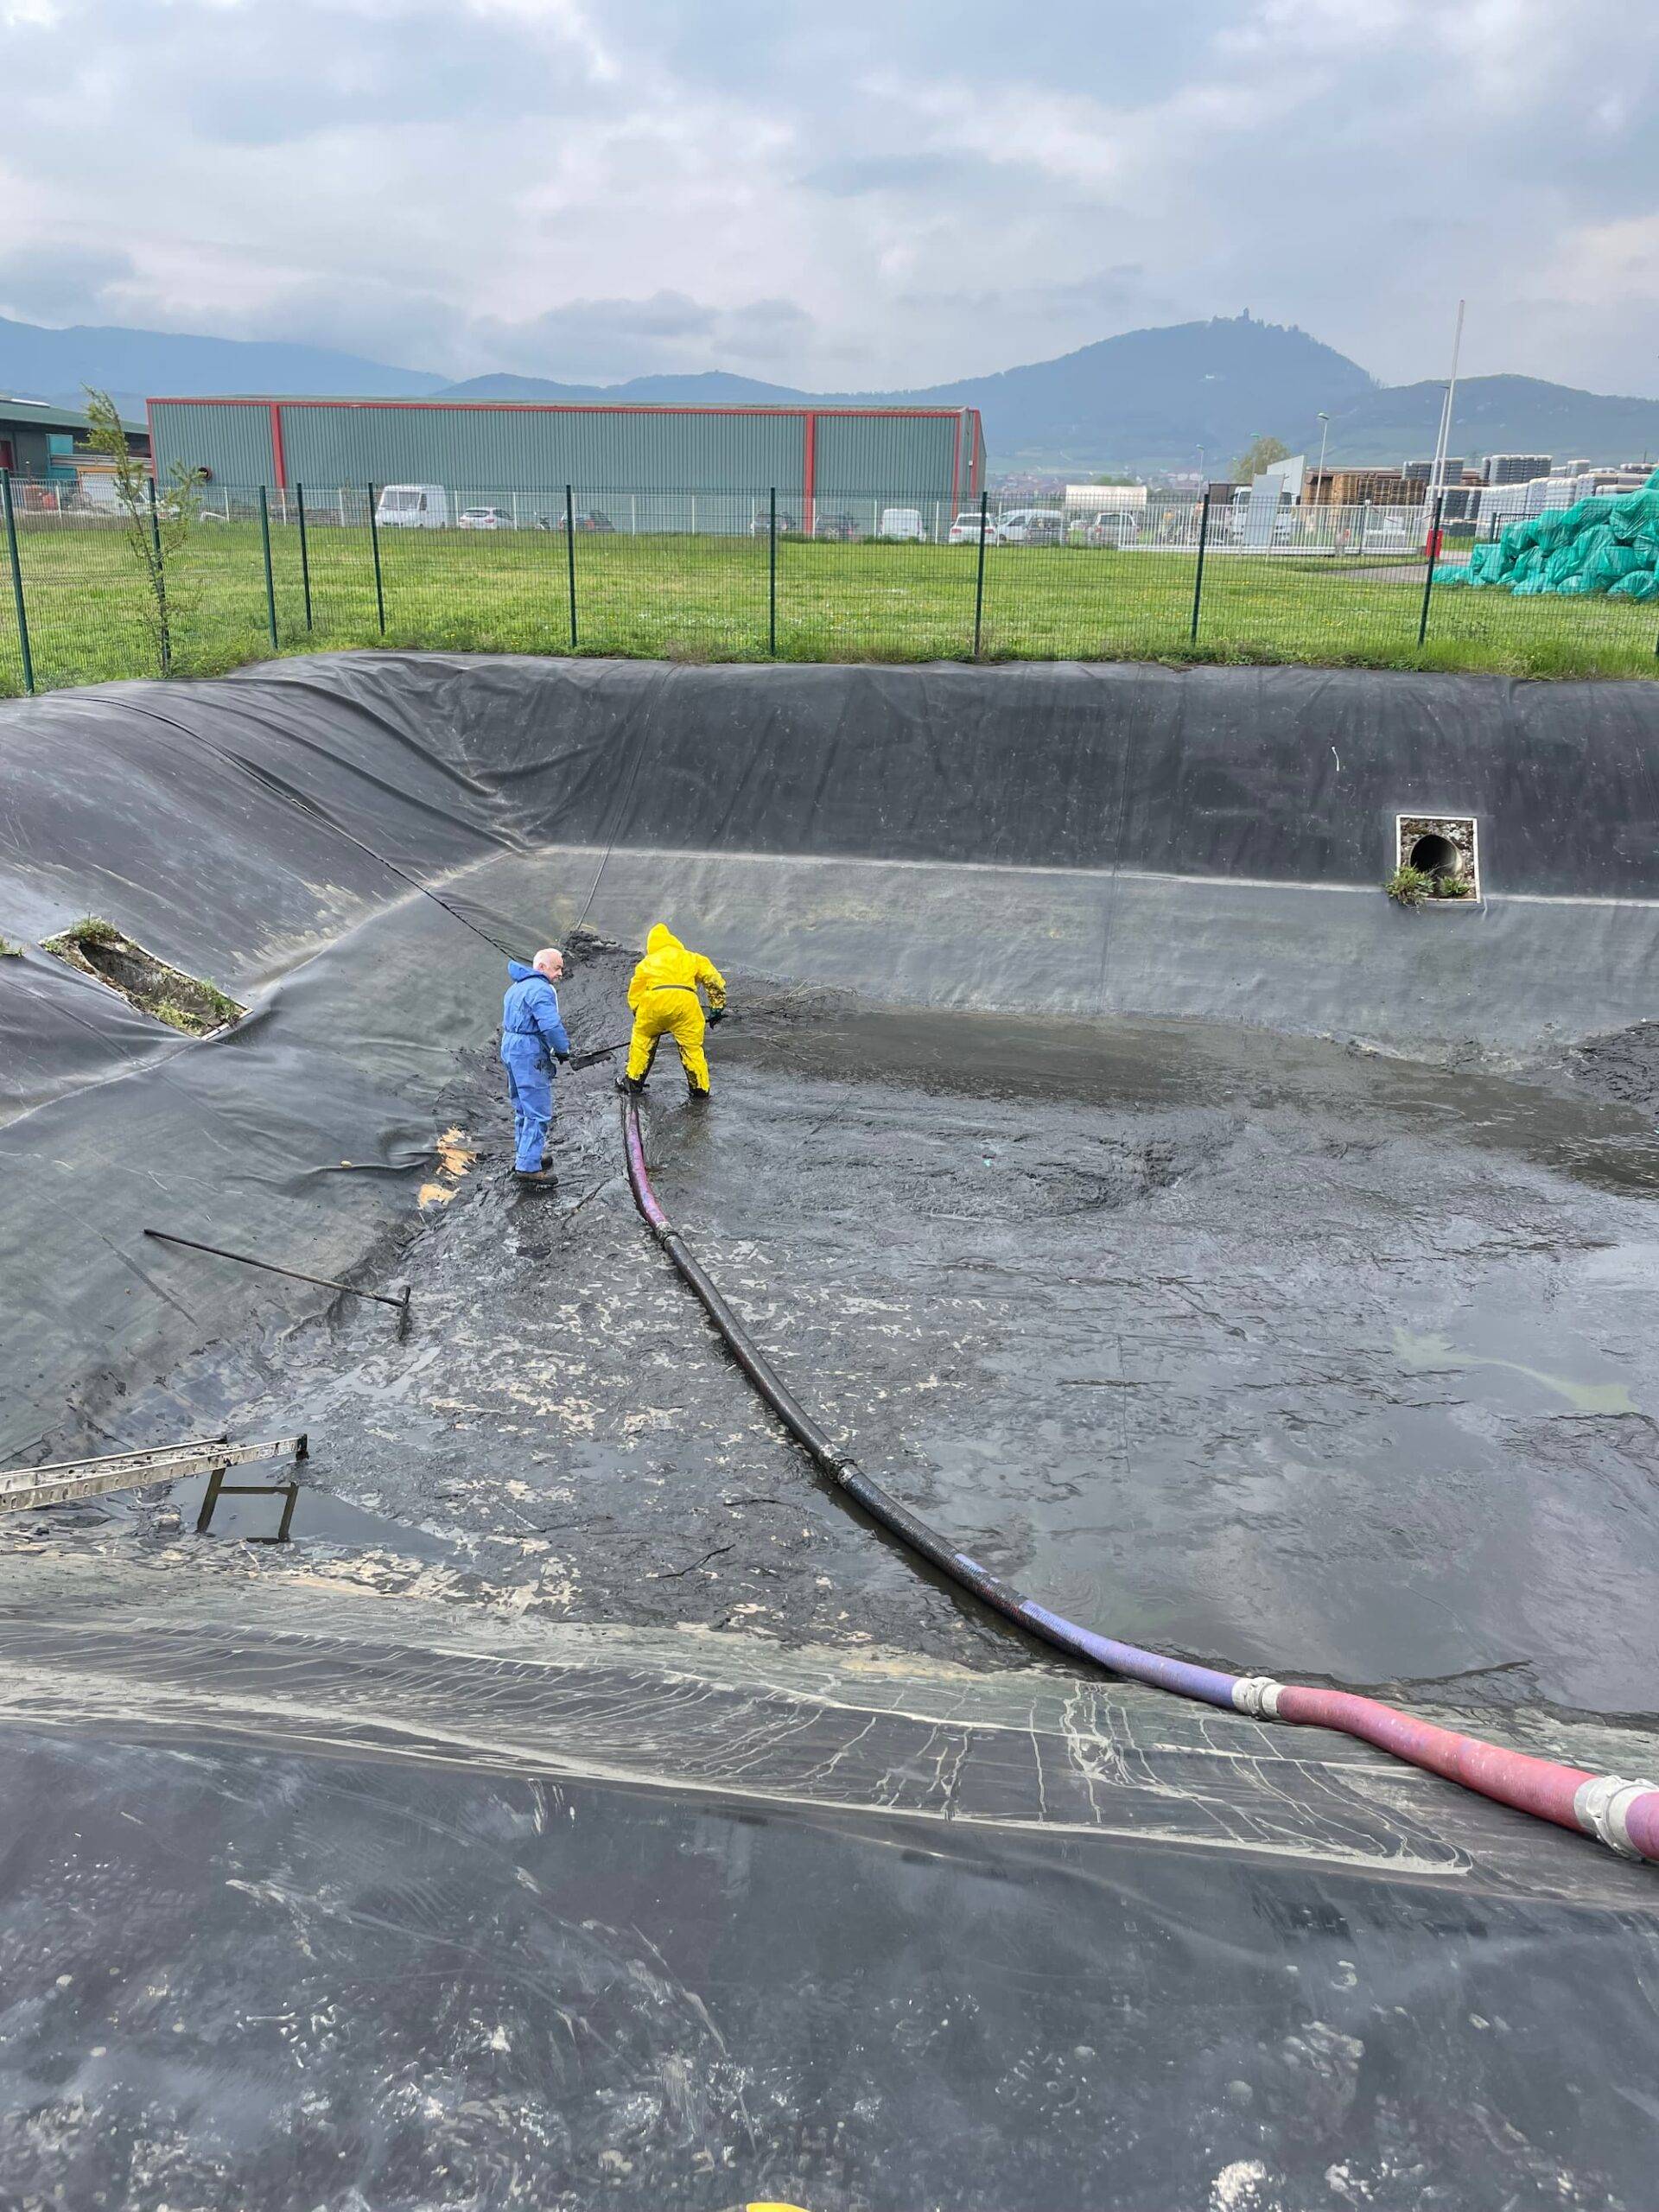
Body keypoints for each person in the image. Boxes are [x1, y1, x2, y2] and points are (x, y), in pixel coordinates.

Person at [619, 924, 727, 1101]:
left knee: (642, 1040)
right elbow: (713, 980)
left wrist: (639, 1013)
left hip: (654, 1004)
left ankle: (633, 1082)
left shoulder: (647, 962)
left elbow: (635, 991)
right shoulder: (692, 958)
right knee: (692, 1049)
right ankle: (700, 1089)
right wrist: (717, 1007)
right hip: (686, 1006)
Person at [500, 946, 571, 1185]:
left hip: (511, 1047)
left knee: (522, 1106)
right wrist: (562, 1050)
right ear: (542, 966)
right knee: (538, 1110)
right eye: (557, 967)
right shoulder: (541, 990)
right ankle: (528, 1167)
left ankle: (525, 1156)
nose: (560, 973)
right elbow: (550, 1026)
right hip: (528, 1052)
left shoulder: (516, 988)